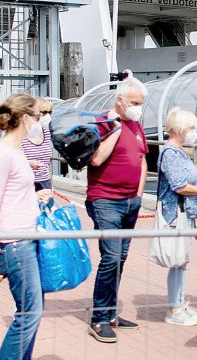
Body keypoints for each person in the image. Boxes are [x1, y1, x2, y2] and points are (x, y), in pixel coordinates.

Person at [0, 94, 53, 360]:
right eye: (37, 116)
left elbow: (11, 195)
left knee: (31, 310)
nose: (40, 121)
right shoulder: (2, 153)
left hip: (25, 237)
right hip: (14, 244)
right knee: (29, 313)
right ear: (24, 118)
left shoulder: (15, 150)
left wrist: (34, 197)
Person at [85, 77, 149, 344]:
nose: (138, 109)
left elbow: (142, 158)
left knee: (120, 258)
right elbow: (96, 158)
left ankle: (110, 313)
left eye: (141, 104)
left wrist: (138, 194)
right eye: (134, 103)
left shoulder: (136, 125)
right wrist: (113, 127)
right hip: (105, 200)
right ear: (120, 100)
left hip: (129, 201)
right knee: (111, 257)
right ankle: (99, 318)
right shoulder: (101, 123)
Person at [157, 107, 197, 326]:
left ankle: (178, 303)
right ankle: (174, 307)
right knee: (178, 260)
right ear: (181, 129)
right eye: (192, 128)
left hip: (184, 212)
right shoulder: (171, 153)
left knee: (181, 261)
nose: (194, 132)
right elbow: (179, 185)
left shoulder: (178, 151)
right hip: (176, 213)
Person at [21, 98, 54, 191]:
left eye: (49, 112)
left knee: (45, 205)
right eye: (44, 112)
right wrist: (27, 163)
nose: (47, 116)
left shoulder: (47, 133)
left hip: (45, 182)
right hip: (24, 182)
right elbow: (9, 160)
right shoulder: (20, 135)